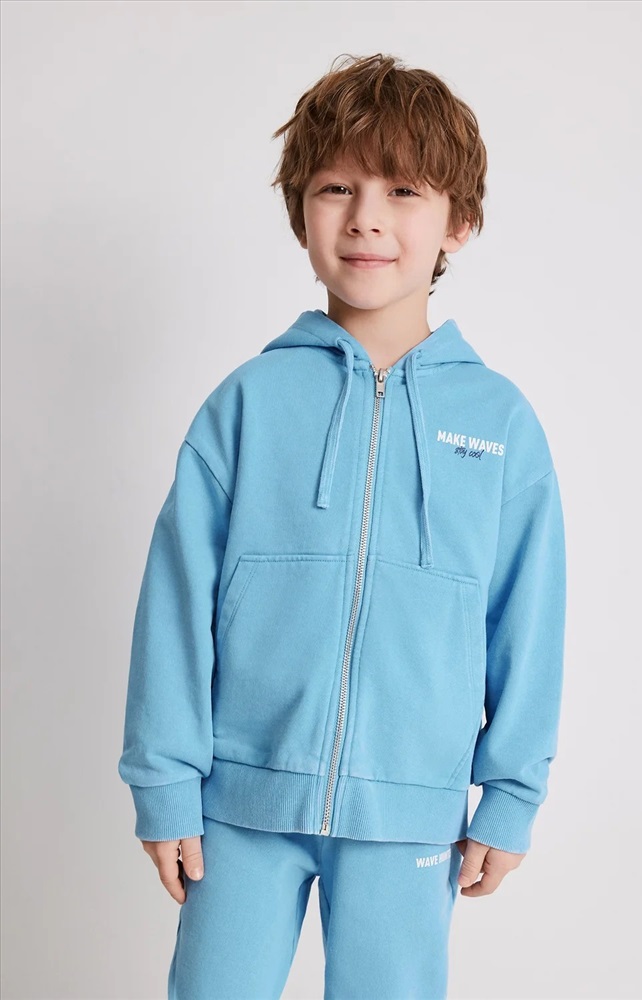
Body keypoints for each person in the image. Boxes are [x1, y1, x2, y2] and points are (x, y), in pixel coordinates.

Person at [118, 51, 567, 1000]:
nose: (366, 216)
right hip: (238, 805)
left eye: (403, 190)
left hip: (413, 815)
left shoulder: (499, 422)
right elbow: (176, 600)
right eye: (336, 187)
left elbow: (528, 619)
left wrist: (511, 794)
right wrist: (164, 781)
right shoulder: (247, 403)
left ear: (459, 221)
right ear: (300, 214)